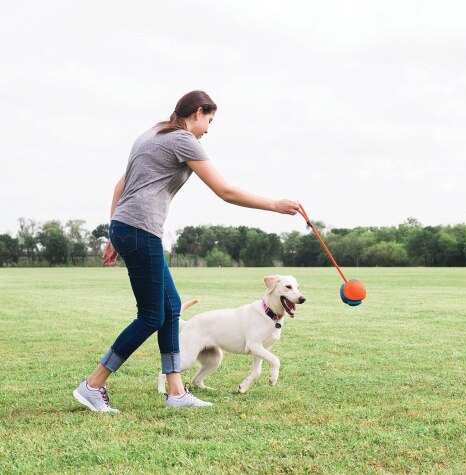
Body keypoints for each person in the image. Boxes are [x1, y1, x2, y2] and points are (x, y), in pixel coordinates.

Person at [73, 90, 300, 412]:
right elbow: (224, 190)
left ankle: (176, 393)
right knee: (151, 315)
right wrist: (274, 205)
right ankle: (93, 384)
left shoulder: (151, 134)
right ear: (197, 112)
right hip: (139, 229)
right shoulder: (182, 139)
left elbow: (119, 187)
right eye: (209, 119)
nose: (208, 128)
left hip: (129, 227)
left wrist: (114, 231)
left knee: (171, 307)